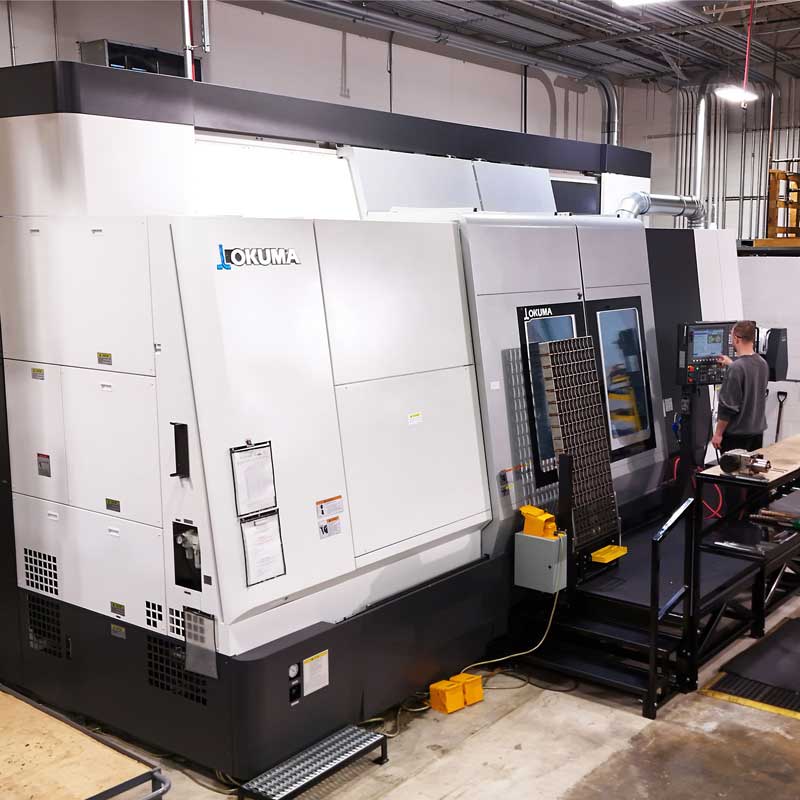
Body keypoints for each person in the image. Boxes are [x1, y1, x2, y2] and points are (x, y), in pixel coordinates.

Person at [710, 320, 769, 453]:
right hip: (756, 433)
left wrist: (718, 434)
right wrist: (731, 364)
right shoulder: (762, 363)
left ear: (736, 338)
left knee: (733, 473)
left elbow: (728, 407)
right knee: (752, 471)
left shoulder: (737, 368)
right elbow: (749, 378)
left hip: (736, 437)